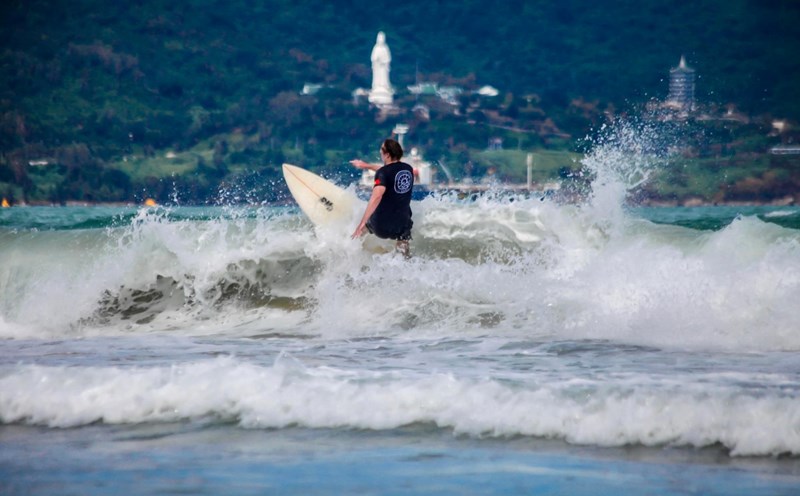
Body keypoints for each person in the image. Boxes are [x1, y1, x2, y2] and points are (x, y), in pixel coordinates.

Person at [351, 138, 414, 257]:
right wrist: (366, 166)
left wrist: (362, 223)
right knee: (404, 238)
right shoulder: (408, 169)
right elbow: (389, 171)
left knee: (363, 229)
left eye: (381, 149)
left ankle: (353, 254)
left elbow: (377, 196)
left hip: (381, 225)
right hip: (401, 224)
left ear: (387, 154)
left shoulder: (382, 173)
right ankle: (406, 266)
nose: (380, 152)